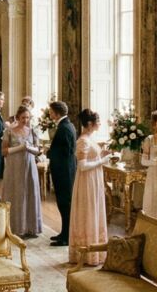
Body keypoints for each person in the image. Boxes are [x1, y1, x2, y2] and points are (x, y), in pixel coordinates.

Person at [68, 109, 110, 264]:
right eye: (98, 121)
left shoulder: (91, 138)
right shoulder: (83, 141)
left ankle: (96, 252)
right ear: (90, 124)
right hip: (87, 181)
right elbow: (82, 165)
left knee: (95, 210)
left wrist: (102, 154)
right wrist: (102, 161)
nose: (99, 124)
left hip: (95, 178)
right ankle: (85, 251)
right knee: (88, 211)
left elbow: (92, 157)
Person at [1, 106, 42, 238]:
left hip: (29, 166)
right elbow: (4, 151)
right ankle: (16, 227)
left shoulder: (31, 131)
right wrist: (20, 147)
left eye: (27, 117)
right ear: (17, 118)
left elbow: (38, 150)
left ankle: (30, 227)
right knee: (17, 194)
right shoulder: (9, 131)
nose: (25, 120)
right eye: (23, 117)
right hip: (15, 167)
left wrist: (30, 149)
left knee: (30, 193)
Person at [46, 101, 76, 246]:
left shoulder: (64, 128)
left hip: (64, 172)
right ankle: (64, 233)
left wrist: (49, 152)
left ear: (57, 113)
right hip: (65, 170)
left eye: (51, 112)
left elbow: (64, 152)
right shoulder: (67, 125)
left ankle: (66, 236)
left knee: (65, 204)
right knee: (63, 204)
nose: (49, 114)